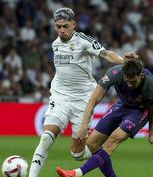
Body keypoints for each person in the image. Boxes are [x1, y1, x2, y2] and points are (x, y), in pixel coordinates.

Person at [28, 7, 136, 177]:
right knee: (46, 137)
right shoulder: (55, 43)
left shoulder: (84, 41)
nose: (62, 30)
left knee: (78, 154)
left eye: (65, 26)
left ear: (74, 24)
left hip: (83, 99)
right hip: (60, 95)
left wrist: (125, 61)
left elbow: (107, 55)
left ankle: (100, 151)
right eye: (58, 26)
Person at [56, 59, 153, 177]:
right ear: (123, 75)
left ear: (140, 75)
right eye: (127, 81)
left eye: (133, 82)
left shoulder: (151, 84)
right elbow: (93, 100)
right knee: (92, 145)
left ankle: (76, 173)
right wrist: (84, 126)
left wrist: (151, 133)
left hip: (139, 111)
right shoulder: (114, 74)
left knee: (112, 141)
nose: (130, 85)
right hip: (121, 105)